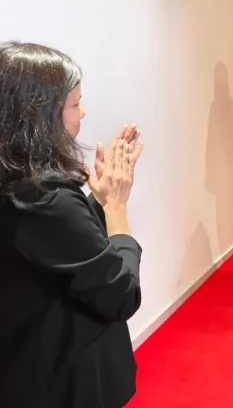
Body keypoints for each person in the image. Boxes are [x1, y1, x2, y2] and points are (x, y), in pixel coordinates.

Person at [0, 42, 145, 408]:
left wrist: (96, 201)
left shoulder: (17, 183)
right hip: (65, 378)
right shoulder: (44, 199)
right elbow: (121, 294)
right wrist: (116, 207)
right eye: (75, 103)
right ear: (40, 114)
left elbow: (59, 247)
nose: (83, 113)